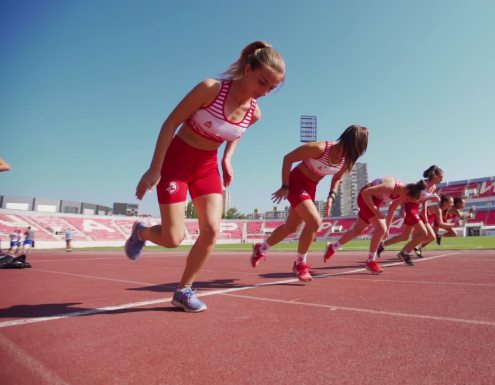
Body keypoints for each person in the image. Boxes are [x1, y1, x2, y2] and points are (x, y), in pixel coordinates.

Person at [124, 41, 286, 312]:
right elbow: (170, 123)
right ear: (247, 70)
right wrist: (155, 168)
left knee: (212, 231)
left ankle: (183, 290)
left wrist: (227, 158)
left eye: (272, 87)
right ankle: (141, 232)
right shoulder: (211, 89)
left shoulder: (254, 113)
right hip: (177, 162)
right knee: (173, 238)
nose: (266, 92)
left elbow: (235, 132)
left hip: (207, 168)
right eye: (262, 83)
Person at [251, 125, 369, 282]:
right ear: (349, 142)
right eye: (355, 149)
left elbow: (336, 177)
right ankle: (300, 264)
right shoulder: (320, 148)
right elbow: (288, 158)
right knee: (314, 221)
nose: (353, 154)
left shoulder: (347, 160)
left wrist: (331, 196)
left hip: (310, 188)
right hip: (296, 183)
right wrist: (285, 185)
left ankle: (261, 248)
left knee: (291, 227)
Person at [323, 177, 427, 273]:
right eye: (408, 200)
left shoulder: (402, 193)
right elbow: (365, 193)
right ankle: (370, 261)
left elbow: (392, 209)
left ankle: (333, 247)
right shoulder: (390, 186)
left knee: (357, 230)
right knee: (381, 228)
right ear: (407, 191)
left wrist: (388, 229)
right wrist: (375, 210)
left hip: (375, 201)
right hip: (365, 197)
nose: (406, 202)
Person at [379, 165, 443, 264]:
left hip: (416, 209)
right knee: (424, 233)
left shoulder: (433, 187)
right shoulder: (423, 183)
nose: (442, 179)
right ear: (435, 175)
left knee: (405, 236)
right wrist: (402, 208)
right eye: (441, 177)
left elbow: (424, 199)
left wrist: (424, 212)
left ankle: (382, 245)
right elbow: (409, 194)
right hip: (410, 208)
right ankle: (405, 252)